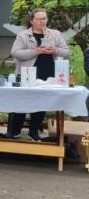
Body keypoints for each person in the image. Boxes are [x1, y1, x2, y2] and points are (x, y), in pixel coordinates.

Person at [7, 8, 69, 140]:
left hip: (48, 73)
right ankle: (15, 131)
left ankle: (34, 131)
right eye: (38, 19)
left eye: (44, 19)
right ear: (31, 21)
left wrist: (55, 50)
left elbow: (66, 51)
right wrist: (35, 51)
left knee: (42, 103)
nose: (42, 21)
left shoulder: (55, 34)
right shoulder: (23, 35)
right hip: (27, 73)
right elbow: (16, 53)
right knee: (21, 102)